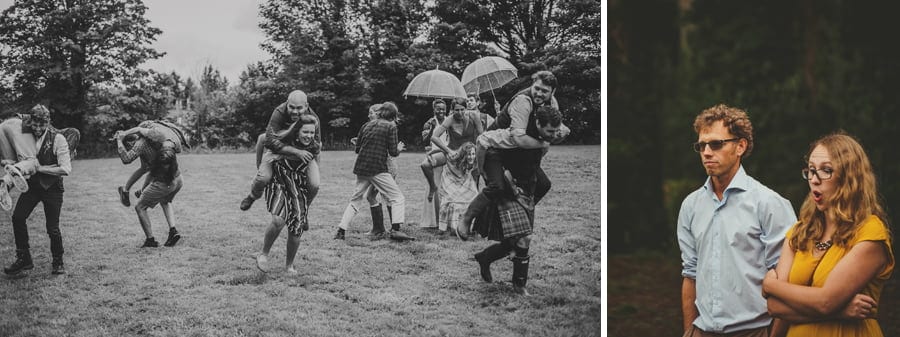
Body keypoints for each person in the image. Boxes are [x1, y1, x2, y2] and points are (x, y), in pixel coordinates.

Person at [676, 104, 796, 337]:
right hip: (702, 330)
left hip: (754, 331)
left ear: (740, 146)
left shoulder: (769, 203)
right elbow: (690, 274)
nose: (706, 152)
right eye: (701, 145)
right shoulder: (691, 205)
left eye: (716, 144)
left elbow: (787, 279)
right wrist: (689, 330)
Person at [762, 133, 894, 337]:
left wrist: (771, 285)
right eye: (811, 170)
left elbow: (825, 302)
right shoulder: (799, 233)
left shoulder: (870, 231)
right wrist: (841, 312)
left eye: (826, 171)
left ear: (849, 177)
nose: (814, 180)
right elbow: (774, 307)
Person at [464, 105, 565, 295]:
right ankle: (519, 286)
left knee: (519, 239)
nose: (553, 135)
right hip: (507, 185)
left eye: (555, 131)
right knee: (523, 238)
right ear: (537, 123)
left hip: (526, 188)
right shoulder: (514, 135)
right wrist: (483, 171)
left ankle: (486, 258)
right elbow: (483, 140)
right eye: (550, 131)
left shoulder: (543, 137)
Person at [3, 104, 72, 276]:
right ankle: (24, 259)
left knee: (52, 228)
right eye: (35, 125)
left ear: (48, 122)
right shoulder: (25, 136)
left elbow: (65, 169)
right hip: (32, 187)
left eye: (42, 125)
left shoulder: (58, 139)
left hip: (52, 189)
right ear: (30, 122)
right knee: (18, 218)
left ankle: (58, 262)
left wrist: (39, 168)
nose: (38, 129)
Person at [334, 102, 413, 241]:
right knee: (397, 197)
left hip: (361, 168)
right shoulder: (391, 126)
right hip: (377, 168)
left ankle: (341, 231)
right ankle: (395, 230)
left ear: (380, 112)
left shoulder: (366, 125)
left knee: (355, 200)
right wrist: (399, 149)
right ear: (393, 116)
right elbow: (393, 152)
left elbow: (357, 150)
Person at [256, 115, 320, 274]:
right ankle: (263, 254)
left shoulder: (315, 146)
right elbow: (262, 139)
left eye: (312, 133)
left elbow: (315, 172)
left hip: (298, 187)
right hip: (278, 182)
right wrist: (260, 166)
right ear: (297, 131)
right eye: (305, 132)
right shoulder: (282, 141)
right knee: (279, 220)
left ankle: (289, 265)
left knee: (296, 227)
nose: (309, 136)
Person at [240, 90, 321, 212]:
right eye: (291, 107)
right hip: (279, 149)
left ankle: (302, 210)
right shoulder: (279, 112)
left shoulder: (313, 118)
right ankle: (253, 196)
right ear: (287, 103)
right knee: (263, 178)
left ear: (306, 106)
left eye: (299, 108)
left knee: (314, 184)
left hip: (301, 151)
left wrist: (303, 152)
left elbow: (316, 145)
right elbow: (269, 140)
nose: (295, 111)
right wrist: (294, 152)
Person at [421, 97, 483, 234]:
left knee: (473, 190)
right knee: (425, 164)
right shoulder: (449, 119)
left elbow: (482, 136)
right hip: (453, 154)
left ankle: (472, 225)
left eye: (462, 110)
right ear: (452, 110)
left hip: (469, 155)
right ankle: (433, 187)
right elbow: (434, 137)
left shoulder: (474, 117)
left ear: (466, 109)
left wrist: (475, 152)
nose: (459, 113)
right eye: (456, 110)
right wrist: (448, 151)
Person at [116, 126, 182, 248]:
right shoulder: (154, 138)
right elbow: (148, 171)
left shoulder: (140, 145)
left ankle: (150, 240)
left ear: (130, 142)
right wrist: (143, 189)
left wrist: (119, 140)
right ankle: (173, 231)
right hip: (178, 179)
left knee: (140, 207)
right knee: (165, 201)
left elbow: (126, 159)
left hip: (165, 183)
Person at [115, 120, 188, 207]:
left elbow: (127, 159)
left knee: (147, 168)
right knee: (148, 167)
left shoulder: (153, 139)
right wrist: (122, 135)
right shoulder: (150, 136)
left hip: (162, 151)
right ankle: (129, 190)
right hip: (159, 144)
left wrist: (121, 138)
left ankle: (129, 190)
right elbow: (138, 130)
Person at [437, 141, 478, 239]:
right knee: (453, 200)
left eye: (473, 154)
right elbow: (443, 151)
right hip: (450, 179)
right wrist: (430, 153)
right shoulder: (454, 157)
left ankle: (469, 227)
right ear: (464, 155)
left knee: (474, 197)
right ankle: (453, 227)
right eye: (469, 154)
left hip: (465, 180)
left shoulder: (475, 162)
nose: (471, 157)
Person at [419, 99, 448, 229]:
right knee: (434, 186)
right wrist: (431, 129)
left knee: (445, 189)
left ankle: (445, 220)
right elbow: (425, 141)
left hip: (447, 156)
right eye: (438, 109)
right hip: (434, 156)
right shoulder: (428, 123)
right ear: (434, 110)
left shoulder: (449, 121)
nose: (441, 111)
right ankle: (432, 221)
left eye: (443, 109)